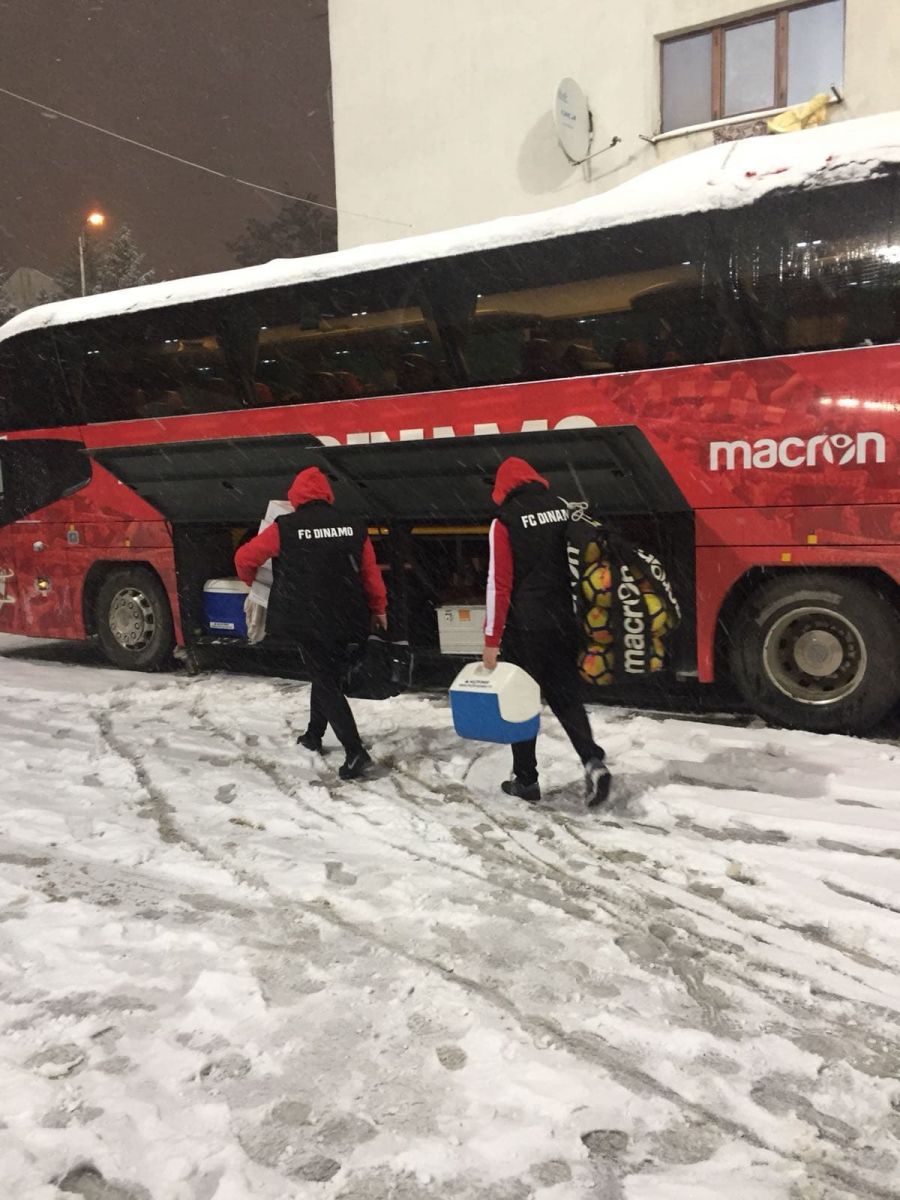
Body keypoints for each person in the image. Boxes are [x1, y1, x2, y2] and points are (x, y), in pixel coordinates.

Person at [235, 466, 387, 780]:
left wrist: (254, 584)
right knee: (325, 673)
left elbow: (244, 558)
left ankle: (355, 751)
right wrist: (379, 608)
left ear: (296, 496)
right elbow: (370, 573)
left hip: (308, 617)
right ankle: (313, 735)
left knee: (325, 679)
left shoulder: (286, 527)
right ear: (327, 495)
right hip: (348, 614)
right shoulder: (353, 526)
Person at [482, 456, 611, 807]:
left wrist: (492, 638)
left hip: (526, 627)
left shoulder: (504, 521)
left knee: (521, 704)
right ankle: (593, 761)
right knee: (566, 697)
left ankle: (526, 780)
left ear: (503, 487)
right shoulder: (562, 508)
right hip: (563, 620)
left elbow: (499, 584)